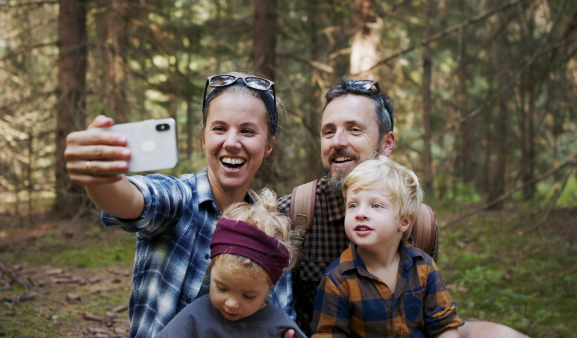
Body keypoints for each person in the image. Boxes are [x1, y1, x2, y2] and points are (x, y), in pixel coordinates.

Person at [278, 77, 527, 337]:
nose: (337, 141)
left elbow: (433, 317)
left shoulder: (419, 222)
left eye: (354, 129)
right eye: (328, 131)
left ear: (387, 143)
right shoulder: (291, 214)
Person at [64, 72, 294, 338]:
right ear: (203, 139)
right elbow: (131, 199)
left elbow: (281, 315)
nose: (231, 142)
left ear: (268, 145)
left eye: (248, 131)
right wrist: (99, 178)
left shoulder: (271, 228)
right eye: (219, 128)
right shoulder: (178, 199)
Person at [311, 157, 464, 337]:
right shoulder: (338, 279)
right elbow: (329, 334)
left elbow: (444, 325)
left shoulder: (424, 267)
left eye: (376, 205)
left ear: (404, 222)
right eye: (353, 205)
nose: (360, 214)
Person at [156, 188, 307, 338]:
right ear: (210, 271)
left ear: (269, 288)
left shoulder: (279, 326)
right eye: (221, 288)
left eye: (249, 296)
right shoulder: (194, 317)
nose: (232, 304)